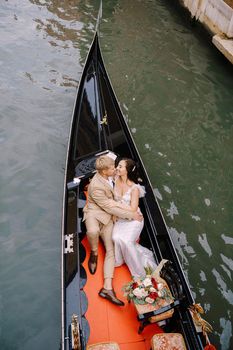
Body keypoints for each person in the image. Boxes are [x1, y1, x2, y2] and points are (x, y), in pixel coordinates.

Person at [83, 153, 143, 306]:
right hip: (96, 213)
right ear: (104, 172)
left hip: (111, 217)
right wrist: (131, 215)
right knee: (93, 232)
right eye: (112, 168)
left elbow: (115, 202)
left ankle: (107, 288)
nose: (115, 169)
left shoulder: (114, 177)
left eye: (117, 166)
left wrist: (130, 212)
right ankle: (94, 253)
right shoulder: (96, 186)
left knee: (111, 250)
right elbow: (109, 205)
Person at [112, 158, 157, 278]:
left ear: (127, 171)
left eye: (120, 167)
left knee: (126, 242)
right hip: (121, 218)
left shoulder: (134, 188)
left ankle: (139, 273)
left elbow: (133, 209)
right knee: (115, 238)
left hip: (134, 220)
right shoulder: (115, 178)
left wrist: (115, 206)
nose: (117, 168)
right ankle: (120, 260)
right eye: (118, 165)